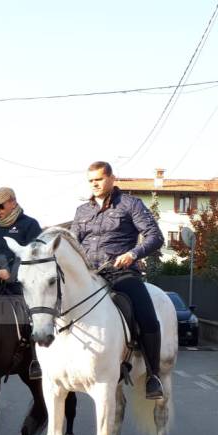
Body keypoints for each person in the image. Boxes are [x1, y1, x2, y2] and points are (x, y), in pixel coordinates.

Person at [72, 161, 165, 400]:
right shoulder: (82, 211)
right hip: (89, 275)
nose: (94, 184)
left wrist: (133, 253)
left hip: (121, 273)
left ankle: (153, 376)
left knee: (147, 316)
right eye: (91, 180)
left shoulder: (130, 204)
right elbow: (73, 243)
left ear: (112, 178)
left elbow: (155, 236)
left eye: (99, 179)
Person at [0, 187, 43, 378]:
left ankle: (35, 361)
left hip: (21, 285)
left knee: (32, 318)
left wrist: (13, 274)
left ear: (13, 202)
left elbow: (36, 255)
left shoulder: (30, 224)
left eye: (0, 206)